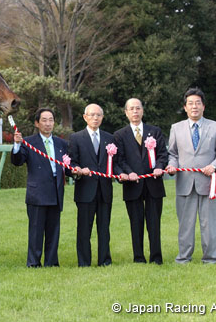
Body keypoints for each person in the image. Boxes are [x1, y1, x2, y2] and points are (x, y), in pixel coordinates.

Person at [165, 87, 216, 264]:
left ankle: (211, 257)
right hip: (184, 184)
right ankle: (184, 257)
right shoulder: (176, 128)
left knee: (209, 224)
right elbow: (173, 154)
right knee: (185, 225)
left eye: (198, 103)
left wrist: (214, 166)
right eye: (190, 103)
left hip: (208, 185)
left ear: (203, 107)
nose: (194, 107)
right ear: (185, 107)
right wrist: (172, 166)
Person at [11, 108, 72, 267]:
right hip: (37, 193)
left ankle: (51, 262)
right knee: (36, 231)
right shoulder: (29, 142)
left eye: (51, 120)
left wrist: (79, 171)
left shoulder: (61, 143)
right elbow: (17, 161)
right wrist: (17, 145)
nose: (48, 123)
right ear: (37, 123)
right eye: (44, 120)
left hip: (56, 191)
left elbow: (68, 167)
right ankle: (33, 262)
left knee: (53, 230)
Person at [68, 103, 123, 267]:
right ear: (85, 117)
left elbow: (115, 163)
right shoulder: (76, 138)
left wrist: (121, 174)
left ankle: (105, 260)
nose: (95, 118)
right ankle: (84, 262)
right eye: (92, 115)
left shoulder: (110, 138)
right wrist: (77, 170)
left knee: (104, 228)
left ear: (102, 117)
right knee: (84, 229)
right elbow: (71, 164)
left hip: (105, 190)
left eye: (98, 115)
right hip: (85, 190)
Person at [114, 98, 168, 264]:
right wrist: (129, 173)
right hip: (132, 185)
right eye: (131, 109)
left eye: (138, 108)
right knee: (135, 223)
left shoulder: (155, 131)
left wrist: (160, 167)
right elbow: (119, 160)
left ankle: (156, 257)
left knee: (154, 223)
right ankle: (138, 257)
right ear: (126, 112)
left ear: (142, 111)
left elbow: (162, 154)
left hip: (153, 184)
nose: (135, 112)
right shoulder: (120, 135)